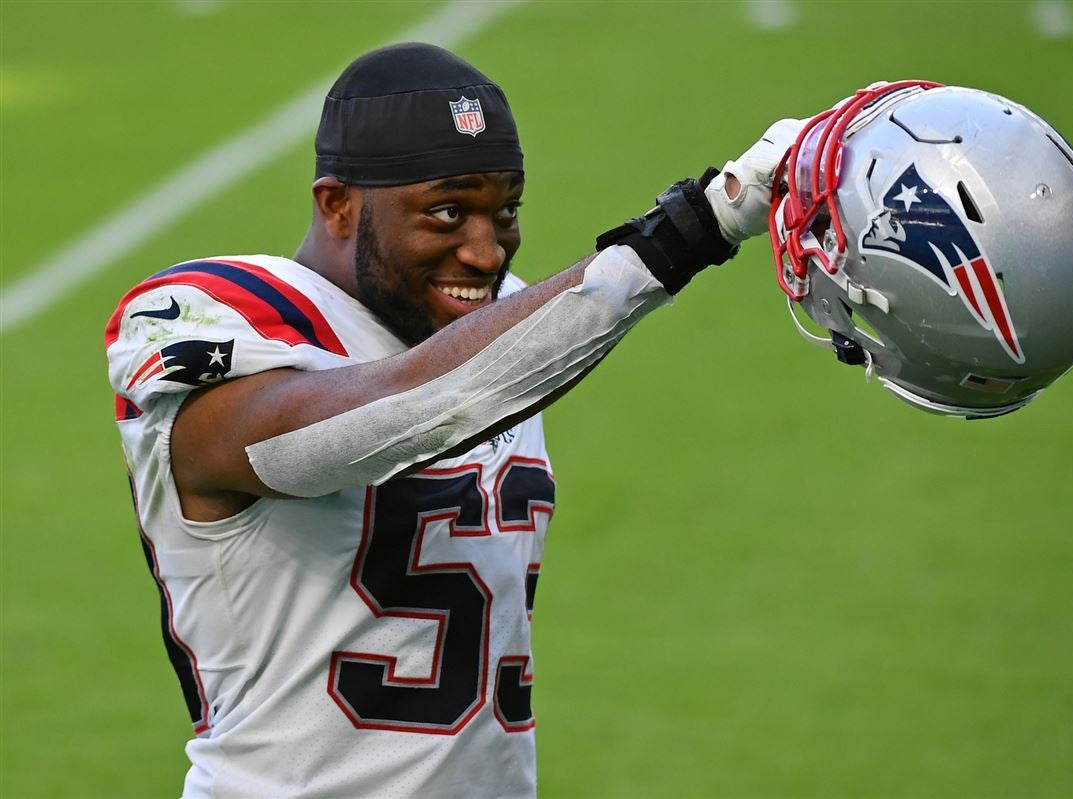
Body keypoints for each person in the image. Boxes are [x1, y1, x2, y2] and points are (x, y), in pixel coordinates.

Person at [105, 42, 793, 798]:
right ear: (338, 204)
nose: (485, 249)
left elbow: (470, 377)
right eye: (446, 212)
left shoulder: (505, 331)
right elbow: (414, 410)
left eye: (506, 211)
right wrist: (695, 226)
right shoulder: (235, 327)